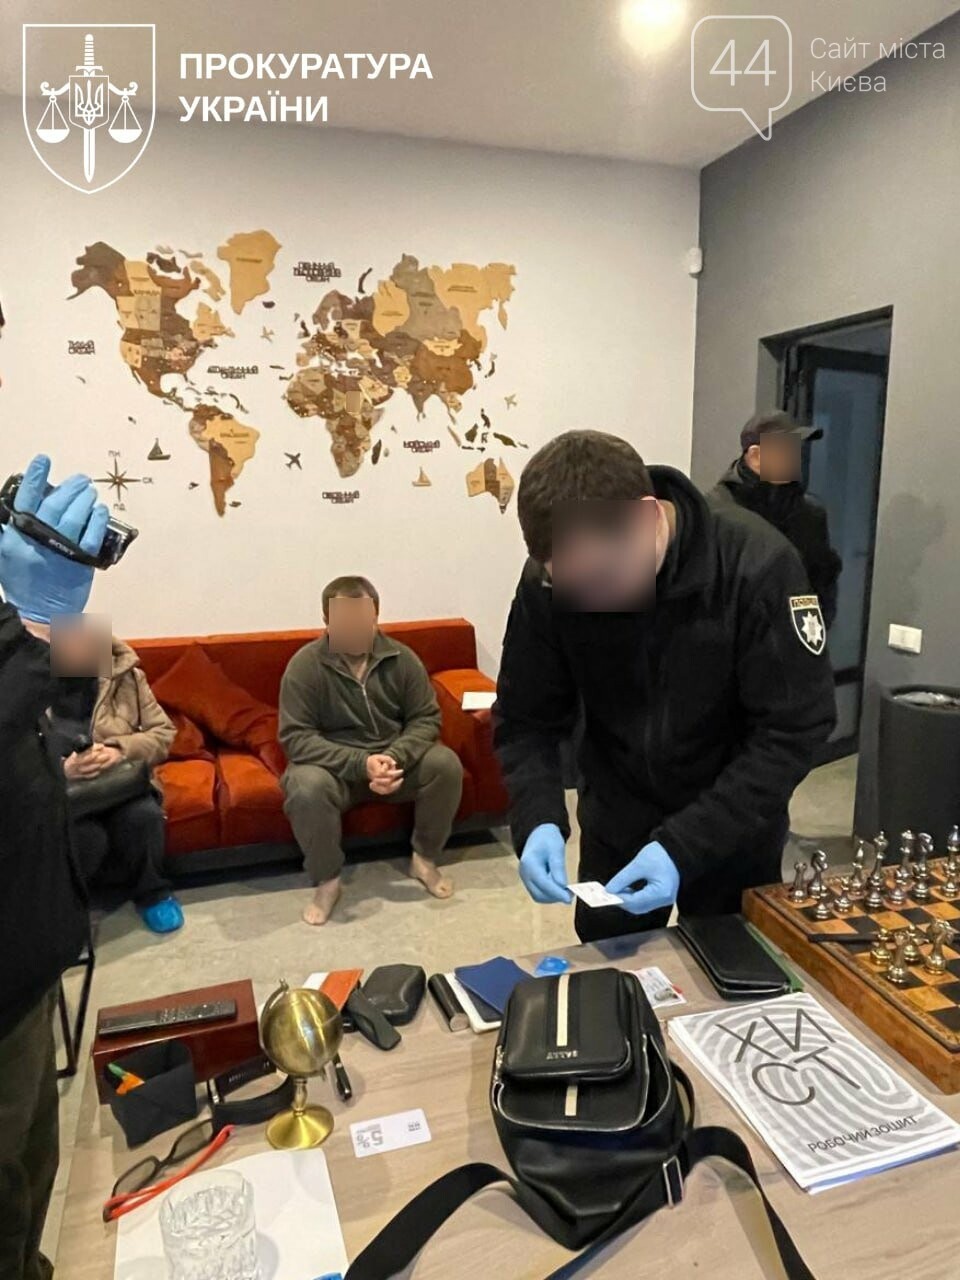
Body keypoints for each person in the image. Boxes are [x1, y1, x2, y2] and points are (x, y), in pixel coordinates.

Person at [494, 430, 836, 943]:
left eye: (605, 577)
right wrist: (537, 814)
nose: (593, 600)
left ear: (649, 517)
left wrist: (685, 845)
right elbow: (526, 718)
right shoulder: (548, 583)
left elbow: (794, 730)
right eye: (574, 585)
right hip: (616, 817)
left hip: (733, 823)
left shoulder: (757, 565)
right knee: (610, 974)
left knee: (726, 971)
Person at [0, 455, 108, 1280]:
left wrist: (45, 636)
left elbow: (37, 723)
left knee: (33, 1170)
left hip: (25, 961)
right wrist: (31, 627)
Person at [279, 575, 464, 925]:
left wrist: (395, 757)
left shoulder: (402, 658)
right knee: (305, 787)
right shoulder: (304, 666)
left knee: (445, 764)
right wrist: (360, 763)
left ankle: (424, 859)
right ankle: (328, 882)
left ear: (376, 617)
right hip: (335, 769)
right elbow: (296, 737)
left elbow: (426, 718)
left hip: (394, 761)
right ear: (326, 621)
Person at [62, 628, 183, 934]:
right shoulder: (29, 685)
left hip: (122, 784)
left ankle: (154, 894)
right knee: (87, 835)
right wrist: (64, 768)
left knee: (143, 817)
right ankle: (69, 911)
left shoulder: (128, 677)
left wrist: (119, 750)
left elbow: (164, 734)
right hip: (67, 792)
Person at [712, 411, 843, 627]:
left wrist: (815, 630)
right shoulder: (717, 512)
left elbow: (824, 579)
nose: (795, 458)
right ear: (755, 456)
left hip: (796, 640)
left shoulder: (810, 514)